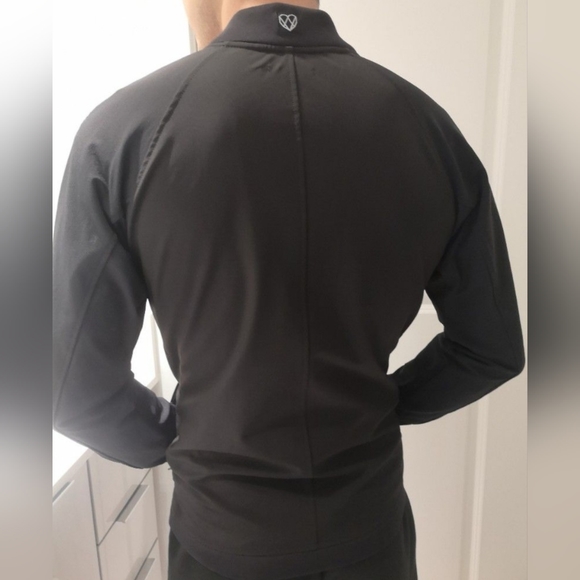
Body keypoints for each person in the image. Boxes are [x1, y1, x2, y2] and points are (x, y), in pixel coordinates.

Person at [52, 1, 526, 579]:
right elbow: (490, 348)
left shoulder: (122, 131)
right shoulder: (429, 128)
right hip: (368, 531)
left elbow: (74, 390)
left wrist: (183, 436)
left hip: (221, 538)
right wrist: (383, 404)